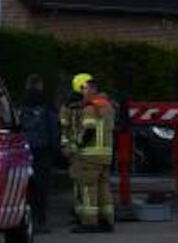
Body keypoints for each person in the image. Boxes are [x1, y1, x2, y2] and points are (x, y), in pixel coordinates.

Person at [61, 72, 116, 232]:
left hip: (90, 155)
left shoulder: (90, 108)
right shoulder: (107, 106)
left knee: (88, 188)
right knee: (104, 188)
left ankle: (89, 222)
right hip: (105, 155)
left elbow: (88, 130)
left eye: (84, 90)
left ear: (91, 90)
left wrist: (76, 145)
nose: (82, 93)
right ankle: (107, 220)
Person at [16, 74, 59, 232]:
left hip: (24, 148)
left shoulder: (20, 104)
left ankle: (27, 219)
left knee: (26, 184)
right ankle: (40, 220)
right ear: (40, 85)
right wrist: (55, 148)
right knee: (41, 185)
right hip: (42, 149)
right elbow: (53, 127)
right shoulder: (46, 104)